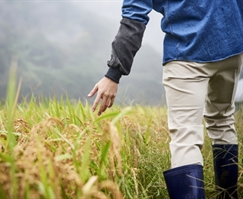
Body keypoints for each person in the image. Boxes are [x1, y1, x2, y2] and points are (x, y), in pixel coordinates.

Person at [88, 1, 243, 198]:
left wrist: (113, 73)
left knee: (185, 136)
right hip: (232, 46)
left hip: (187, 52)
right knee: (222, 120)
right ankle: (229, 196)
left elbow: (135, 15)